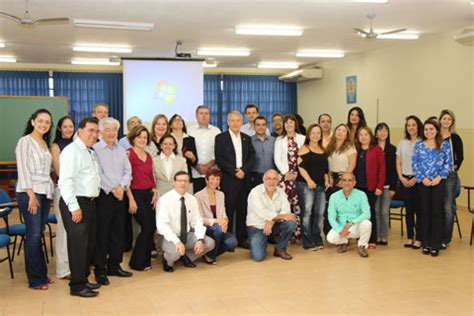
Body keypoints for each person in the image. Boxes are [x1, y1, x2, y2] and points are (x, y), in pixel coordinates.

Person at [58, 117, 101, 297]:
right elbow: (65, 181)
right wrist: (74, 207)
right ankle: (76, 286)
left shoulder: (89, 151)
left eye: (96, 131)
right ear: (80, 131)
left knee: (88, 244)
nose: (94, 134)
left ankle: (83, 278)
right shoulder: (72, 151)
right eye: (90, 130)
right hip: (75, 202)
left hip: (89, 203)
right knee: (78, 245)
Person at [15, 109, 55, 290]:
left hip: (44, 192)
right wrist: (31, 195)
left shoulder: (45, 144)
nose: (44, 124)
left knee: (37, 235)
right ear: (32, 122)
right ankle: (35, 280)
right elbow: (23, 170)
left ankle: (42, 274)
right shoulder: (25, 142)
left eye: (47, 122)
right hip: (30, 193)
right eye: (40, 121)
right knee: (33, 235)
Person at [92, 118, 133, 286]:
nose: (111, 133)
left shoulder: (121, 149)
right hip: (104, 196)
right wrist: (113, 188)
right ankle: (100, 270)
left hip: (120, 194)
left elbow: (128, 170)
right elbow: (97, 174)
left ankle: (114, 266)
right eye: (107, 129)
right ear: (101, 132)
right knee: (102, 234)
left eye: (114, 130)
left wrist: (122, 187)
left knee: (118, 232)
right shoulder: (95, 150)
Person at [156, 171, 215, 272]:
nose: (183, 183)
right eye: (180, 181)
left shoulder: (192, 199)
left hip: (186, 235)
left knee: (209, 243)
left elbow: (197, 221)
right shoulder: (164, 200)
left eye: (186, 181)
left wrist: (200, 239)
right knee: (174, 252)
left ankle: (185, 257)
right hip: (168, 237)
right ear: (174, 183)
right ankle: (168, 261)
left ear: (189, 184)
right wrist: (177, 241)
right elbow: (162, 226)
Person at [215, 111, 255, 248]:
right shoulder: (220, 138)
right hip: (228, 179)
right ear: (228, 122)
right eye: (232, 120)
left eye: (238, 120)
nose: (235, 123)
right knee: (229, 210)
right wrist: (234, 171)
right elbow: (219, 158)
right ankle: (228, 240)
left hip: (244, 179)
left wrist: (244, 171)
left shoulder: (247, 138)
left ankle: (242, 238)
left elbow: (252, 157)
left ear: (241, 122)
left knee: (242, 210)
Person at [413, 118, 452, 257]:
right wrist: (422, 178)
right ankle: (426, 242)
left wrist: (439, 177)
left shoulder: (445, 145)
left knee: (437, 212)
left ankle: (436, 244)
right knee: (424, 212)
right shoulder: (419, 145)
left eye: (431, 129)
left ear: (436, 130)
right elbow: (415, 164)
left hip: (438, 183)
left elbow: (448, 164)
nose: (428, 132)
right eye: (426, 129)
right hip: (423, 183)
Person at [126, 125, 158, 271]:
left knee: (151, 227)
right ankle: (136, 262)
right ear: (133, 138)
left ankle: (145, 262)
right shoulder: (128, 154)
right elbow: (126, 179)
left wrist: (155, 191)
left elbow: (150, 177)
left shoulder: (149, 156)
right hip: (135, 194)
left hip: (149, 194)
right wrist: (131, 199)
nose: (142, 140)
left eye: (145, 137)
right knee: (146, 227)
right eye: (139, 137)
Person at [247, 169, 296, 262]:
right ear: (263, 179)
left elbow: (286, 212)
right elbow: (262, 212)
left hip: (273, 225)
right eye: (268, 178)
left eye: (274, 179)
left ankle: (280, 249)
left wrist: (271, 221)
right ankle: (261, 241)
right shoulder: (255, 192)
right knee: (258, 257)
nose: (271, 182)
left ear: (278, 181)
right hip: (257, 226)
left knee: (290, 223)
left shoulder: (281, 192)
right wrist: (278, 217)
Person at [295, 124, 329, 251]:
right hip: (305, 185)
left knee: (319, 213)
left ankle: (317, 238)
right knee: (307, 213)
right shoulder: (304, 148)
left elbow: (325, 168)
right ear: (309, 134)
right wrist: (309, 180)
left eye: (318, 133)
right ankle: (308, 241)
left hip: (320, 186)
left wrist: (326, 179)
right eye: (313, 133)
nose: (316, 135)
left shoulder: (323, 149)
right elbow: (300, 167)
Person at [195, 169, 238, 264]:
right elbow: (199, 219)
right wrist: (216, 221)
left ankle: (207, 253)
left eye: (217, 179)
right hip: (206, 228)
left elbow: (223, 213)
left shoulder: (221, 194)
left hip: (219, 226)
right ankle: (211, 256)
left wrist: (225, 222)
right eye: (212, 178)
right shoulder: (198, 196)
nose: (215, 181)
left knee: (232, 242)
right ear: (206, 180)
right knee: (217, 229)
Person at [274, 114, 305, 241]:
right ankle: (285, 235)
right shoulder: (279, 140)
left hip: (300, 175)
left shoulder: (303, 138)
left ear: (295, 124)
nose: (289, 125)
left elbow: (304, 157)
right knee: (285, 205)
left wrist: (296, 173)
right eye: (286, 123)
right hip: (284, 177)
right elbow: (277, 159)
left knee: (298, 205)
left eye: (291, 123)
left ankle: (298, 234)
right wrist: (286, 173)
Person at [51, 115, 74, 279]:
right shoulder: (56, 146)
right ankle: (62, 269)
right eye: (65, 126)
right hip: (64, 189)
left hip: (77, 190)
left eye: (71, 126)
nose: (68, 129)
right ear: (59, 128)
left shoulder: (77, 144)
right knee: (63, 230)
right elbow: (59, 171)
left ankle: (75, 265)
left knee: (75, 231)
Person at [326, 173, 371, 258]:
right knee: (330, 238)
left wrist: (351, 223)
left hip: (356, 226)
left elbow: (367, 213)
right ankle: (344, 242)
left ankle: (362, 246)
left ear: (354, 183)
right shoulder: (334, 197)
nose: (347, 183)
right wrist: (340, 230)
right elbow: (331, 217)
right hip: (341, 226)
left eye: (350, 180)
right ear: (340, 183)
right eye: (344, 180)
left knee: (367, 223)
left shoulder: (361, 195)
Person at [354, 127, 385, 249]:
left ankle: (372, 239)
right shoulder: (356, 150)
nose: (363, 137)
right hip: (357, 187)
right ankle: (360, 238)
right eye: (361, 135)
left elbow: (382, 170)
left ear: (370, 136)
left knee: (370, 212)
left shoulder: (377, 150)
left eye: (366, 134)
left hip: (371, 187)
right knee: (358, 212)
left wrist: (379, 186)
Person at [323, 124, 356, 234]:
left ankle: (344, 235)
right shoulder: (330, 146)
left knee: (342, 209)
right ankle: (330, 233)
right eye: (338, 130)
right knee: (330, 207)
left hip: (344, 178)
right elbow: (327, 164)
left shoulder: (350, 147)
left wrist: (344, 180)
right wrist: (328, 177)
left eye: (343, 131)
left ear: (347, 135)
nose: (340, 132)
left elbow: (352, 164)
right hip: (331, 179)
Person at [396, 115, 423, 249]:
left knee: (419, 209)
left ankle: (419, 238)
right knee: (409, 210)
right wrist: (401, 178)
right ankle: (410, 237)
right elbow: (398, 162)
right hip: (405, 179)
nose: (411, 127)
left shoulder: (422, 142)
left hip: (418, 180)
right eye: (408, 125)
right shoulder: (402, 143)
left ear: (418, 126)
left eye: (413, 125)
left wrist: (415, 178)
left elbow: (424, 163)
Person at [439, 109, 464, 247]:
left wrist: (453, 169)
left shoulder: (455, 138)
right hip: (435, 175)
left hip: (450, 176)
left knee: (448, 207)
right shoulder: (435, 136)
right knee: (436, 206)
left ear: (452, 122)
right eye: (444, 118)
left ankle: (445, 238)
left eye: (449, 119)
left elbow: (460, 157)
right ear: (440, 120)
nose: (446, 121)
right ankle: (435, 234)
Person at [188, 105, 221, 193]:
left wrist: (210, 164)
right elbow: (187, 151)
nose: (204, 116)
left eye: (206, 113)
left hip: (212, 172)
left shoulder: (216, 131)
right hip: (195, 173)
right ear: (196, 115)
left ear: (210, 115)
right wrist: (196, 166)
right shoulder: (189, 131)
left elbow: (219, 151)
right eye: (201, 113)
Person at [374, 123, 397, 246]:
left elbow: (394, 170)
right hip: (375, 186)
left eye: (385, 131)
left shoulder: (392, 149)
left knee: (384, 211)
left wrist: (394, 187)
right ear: (376, 133)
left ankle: (384, 236)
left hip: (388, 186)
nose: (382, 133)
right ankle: (376, 235)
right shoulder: (372, 148)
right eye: (380, 131)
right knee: (376, 210)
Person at [169, 114, 198, 184]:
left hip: (186, 174)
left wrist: (192, 157)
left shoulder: (190, 139)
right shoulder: (167, 138)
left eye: (180, 120)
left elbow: (195, 161)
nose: (178, 121)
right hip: (170, 173)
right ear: (170, 125)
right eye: (175, 120)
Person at [250, 116, 275, 189]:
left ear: (266, 126)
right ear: (254, 126)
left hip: (271, 176)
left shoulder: (273, 140)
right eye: (258, 125)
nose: (261, 127)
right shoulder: (249, 141)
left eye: (263, 125)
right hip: (255, 176)